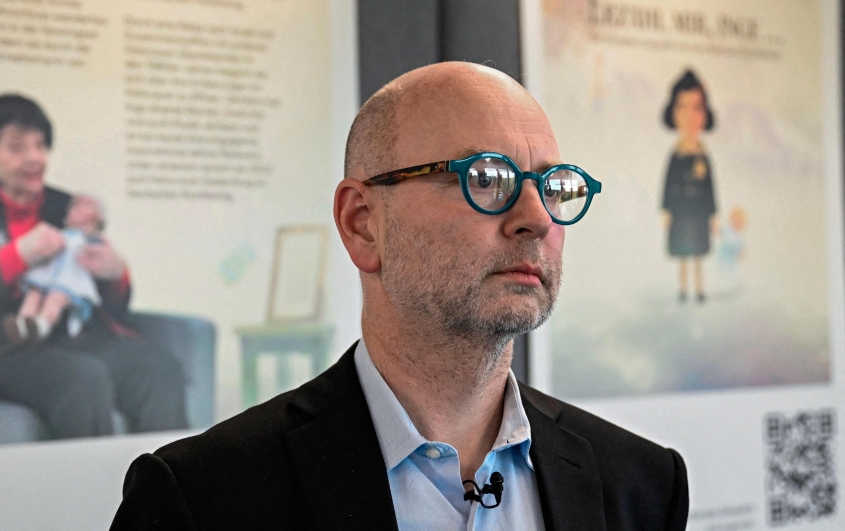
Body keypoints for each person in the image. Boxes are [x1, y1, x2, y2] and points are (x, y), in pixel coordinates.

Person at [110, 63, 688, 530]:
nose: (535, 219)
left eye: (554, 186)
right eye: (486, 179)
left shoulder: (638, 486)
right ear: (363, 222)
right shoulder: (203, 501)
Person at [0, 94, 189, 439]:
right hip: (10, 349)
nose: (35, 157)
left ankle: (169, 488)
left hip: (78, 338)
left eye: (40, 145)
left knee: (158, 367)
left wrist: (114, 275)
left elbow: (114, 308)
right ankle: (91, 490)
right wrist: (17, 254)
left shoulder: (68, 206)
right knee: (82, 377)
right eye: (17, 147)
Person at [8, 194, 105, 342]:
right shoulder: (60, 234)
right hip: (48, 272)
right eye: (75, 206)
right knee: (33, 294)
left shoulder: (92, 239)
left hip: (71, 277)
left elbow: (99, 256)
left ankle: (42, 325)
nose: (78, 209)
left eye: (86, 207)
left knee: (56, 299)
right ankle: (22, 324)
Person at [661, 69, 718, 303]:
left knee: (697, 254)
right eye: (682, 107)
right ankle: (684, 289)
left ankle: (700, 288)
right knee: (683, 253)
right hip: (681, 212)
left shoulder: (704, 155)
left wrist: (713, 214)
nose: (689, 115)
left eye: (696, 107)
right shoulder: (675, 154)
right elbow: (668, 183)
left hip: (699, 213)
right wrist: (666, 209)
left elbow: (710, 188)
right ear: (673, 112)